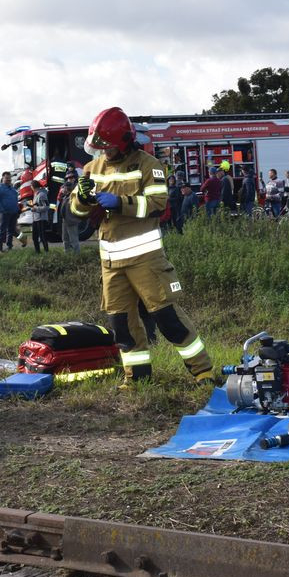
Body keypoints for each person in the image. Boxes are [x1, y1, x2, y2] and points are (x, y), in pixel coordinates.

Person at [70, 107, 213, 386]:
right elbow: (76, 210)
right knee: (122, 326)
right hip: (111, 264)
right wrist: (83, 199)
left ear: (123, 142)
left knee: (167, 318)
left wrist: (121, 203)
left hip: (146, 260)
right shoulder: (91, 168)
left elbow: (159, 205)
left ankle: (203, 372)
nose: (105, 153)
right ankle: (137, 378)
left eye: (109, 147)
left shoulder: (149, 165)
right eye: (101, 148)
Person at [0, 171, 21, 252]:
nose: (8, 180)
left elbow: (16, 200)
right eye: (7, 178)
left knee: (11, 230)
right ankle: (0, 248)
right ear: (3, 178)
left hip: (14, 213)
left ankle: (9, 246)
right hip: (4, 213)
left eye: (9, 178)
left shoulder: (12, 189)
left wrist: (17, 210)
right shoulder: (0, 188)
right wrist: (2, 211)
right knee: (2, 230)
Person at [58, 171, 82, 253]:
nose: (69, 179)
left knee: (73, 239)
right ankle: (67, 253)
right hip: (65, 220)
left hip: (71, 220)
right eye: (68, 178)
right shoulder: (65, 196)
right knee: (65, 238)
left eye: (71, 178)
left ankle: (77, 255)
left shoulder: (74, 195)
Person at [31, 180, 50, 253]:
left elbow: (46, 207)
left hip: (41, 219)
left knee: (43, 237)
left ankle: (46, 251)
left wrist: (35, 209)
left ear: (33, 186)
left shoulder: (42, 194)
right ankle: (37, 252)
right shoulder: (35, 194)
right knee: (34, 237)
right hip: (36, 219)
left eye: (31, 186)